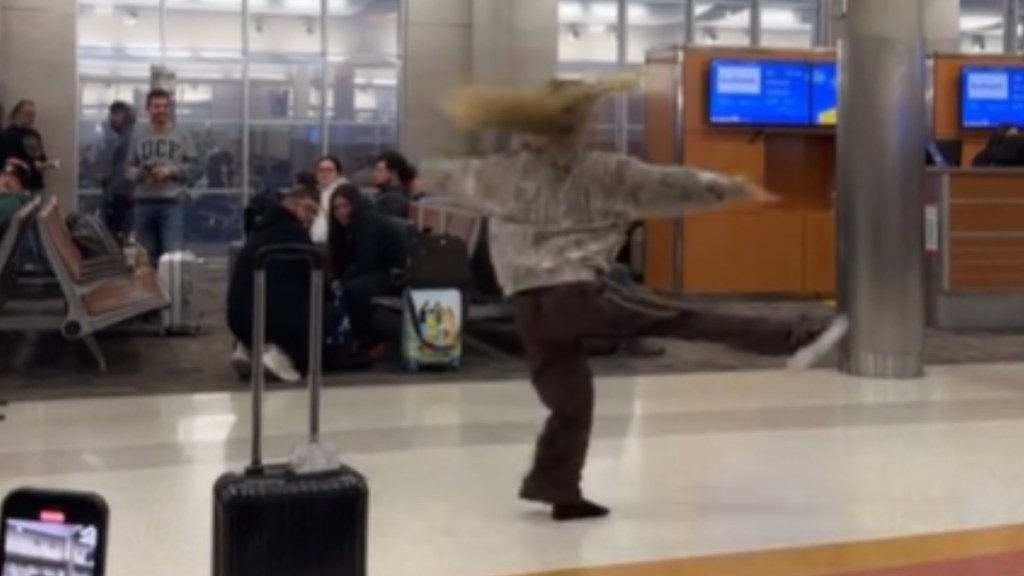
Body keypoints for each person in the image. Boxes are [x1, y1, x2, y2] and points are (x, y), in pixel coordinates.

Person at [418, 77, 795, 522]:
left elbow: (446, 175)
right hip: (576, 291)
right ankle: (795, 336)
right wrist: (733, 187)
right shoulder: (602, 170)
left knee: (570, 399)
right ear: (577, 126)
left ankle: (557, 488)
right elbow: (670, 184)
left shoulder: (501, 172)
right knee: (677, 318)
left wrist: (431, 172)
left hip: (527, 303)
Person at [227, 184, 322, 383]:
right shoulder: (295, 235)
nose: (312, 217)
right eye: (309, 209)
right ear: (294, 205)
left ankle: (247, 348)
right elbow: (312, 276)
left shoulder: (259, 230)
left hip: (238, 318)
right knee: (320, 309)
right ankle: (282, 357)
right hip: (274, 323)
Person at [326, 183, 408, 355]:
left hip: (393, 273)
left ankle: (368, 341)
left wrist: (341, 281)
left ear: (355, 205)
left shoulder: (366, 220)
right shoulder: (349, 226)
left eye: (345, 206)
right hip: (378, 270)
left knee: (353, 290)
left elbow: (365, 261)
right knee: (341, 286)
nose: (341, 212)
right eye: (336, 208)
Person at [126, 88, 201, 263]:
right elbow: (128, 169)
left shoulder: (182, 134)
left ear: (170, 109)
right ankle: (149, 291)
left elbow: (195, 168)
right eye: (156, 106)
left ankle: (170, 291)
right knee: (144, 258)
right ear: (148, 109)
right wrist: (141, 173)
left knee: (171, 258)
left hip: (172, 204)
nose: (161, 110)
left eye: (165, 106)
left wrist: (171, 172)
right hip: (143, 204)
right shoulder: (138, 134)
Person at [99, 101, 136, 241]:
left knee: (124, 235)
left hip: (125, 194)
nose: (113, 118)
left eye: (117, 114)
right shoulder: (120, 137)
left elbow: (131, 164)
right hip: (117, 191)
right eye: (112, 114)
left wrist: (132, 187)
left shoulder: (130, 137)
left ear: (127, 115)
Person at [0, 100, 53, 191]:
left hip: (36, 185)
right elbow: (3, 162)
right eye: (28, 114)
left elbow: (41, 156)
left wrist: (45, 164)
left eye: (33, 115)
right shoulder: (6, 136)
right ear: (17, 114)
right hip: (17, 186)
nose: (31, 118)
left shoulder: (35, 134)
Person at [310, 155, 347, 242]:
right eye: (321, 170)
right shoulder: (315, 192)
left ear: (338, 173)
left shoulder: (343, 193)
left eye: (329, 170)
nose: (324, 173)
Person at [371, 151, 417, 219]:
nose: (375, 174)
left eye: (380, 170)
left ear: (394, 173)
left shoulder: (395, 199)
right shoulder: (385, 195)